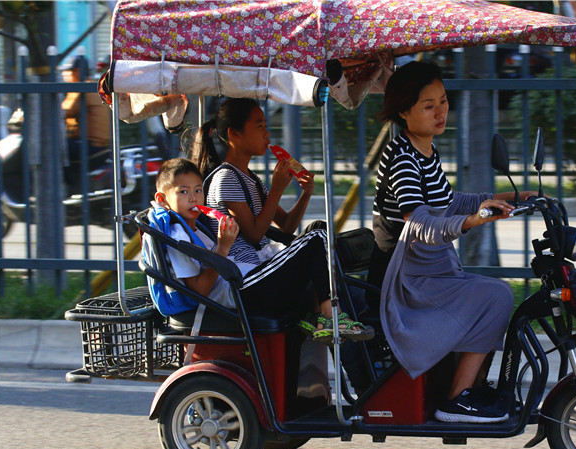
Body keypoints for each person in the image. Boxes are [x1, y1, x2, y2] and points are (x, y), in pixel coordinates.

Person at [372, 61, 536, 424]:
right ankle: (456, 399)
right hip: (406, 281)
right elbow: (421, 224)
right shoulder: (401, 158)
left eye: (443, 101)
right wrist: (474, 220)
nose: (440, 111)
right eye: (428, 106)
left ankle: (472, 388)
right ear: (404, 112)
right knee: (494, 296)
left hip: (432, 271)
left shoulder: (426, 151)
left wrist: (508, 196)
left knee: (496, 294)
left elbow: (449, 200)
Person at [189, 98, 372, 342]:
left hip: (263, 269)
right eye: (260, 126)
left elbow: (286, 226)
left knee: (318, 229)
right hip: (247, 279)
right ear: (234, 134)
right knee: (317, 237)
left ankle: (319, 314)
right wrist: (276, 190)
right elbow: (254, 235)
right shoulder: (225, 179)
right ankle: (329, 314)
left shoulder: (250, 178)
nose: (268, 134)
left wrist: (305, 193)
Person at [150, 158, 239, 309]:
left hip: (230, 288)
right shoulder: (178, 237)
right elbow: (199, 291)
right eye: (183, 192)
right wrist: (223, 248)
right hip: (219, 299)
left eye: (198, 190)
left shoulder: (196, 228)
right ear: (162, 199)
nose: (193, 198)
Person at [61, 56, 111, 170]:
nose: (64, 74)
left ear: (77, 71)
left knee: (52, 146)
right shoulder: (94, 85)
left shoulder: (80, 89)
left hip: (88, 145)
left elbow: (63, 112)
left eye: (67, 71)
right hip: (102, 146)